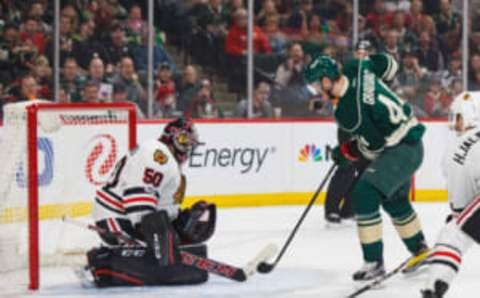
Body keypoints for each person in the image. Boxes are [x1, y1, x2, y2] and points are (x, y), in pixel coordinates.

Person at [304, 54, 430, 281]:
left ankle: (373, 262)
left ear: (327, 80)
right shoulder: (357, 66)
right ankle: (420, 250)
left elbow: (374, 148)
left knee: (364, 193)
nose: (317, 89)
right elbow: (390, 65)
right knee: (395, 201)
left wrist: (346, 152)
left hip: (400, 149)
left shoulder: (346, 112)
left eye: (317, 83)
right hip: (412, 143)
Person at [84, 118, 216, 287]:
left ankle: (112, 259)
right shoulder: (157, 155)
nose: (187, 147)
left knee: (169, 257)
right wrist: (159, 237)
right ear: (170, 137)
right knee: (163, 264)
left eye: (191, 143)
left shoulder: (167, 162)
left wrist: (179, 223)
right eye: (184, 140)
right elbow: (138, 202)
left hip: (126, 218)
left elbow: (158, 205)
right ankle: (105, 264)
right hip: (116, 219)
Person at [421, 92, 480, 298]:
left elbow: (461, 207)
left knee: (453, 232)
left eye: (458, 117)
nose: (455, 123)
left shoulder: (457, 148)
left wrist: (458, 215)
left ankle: (435, 285)